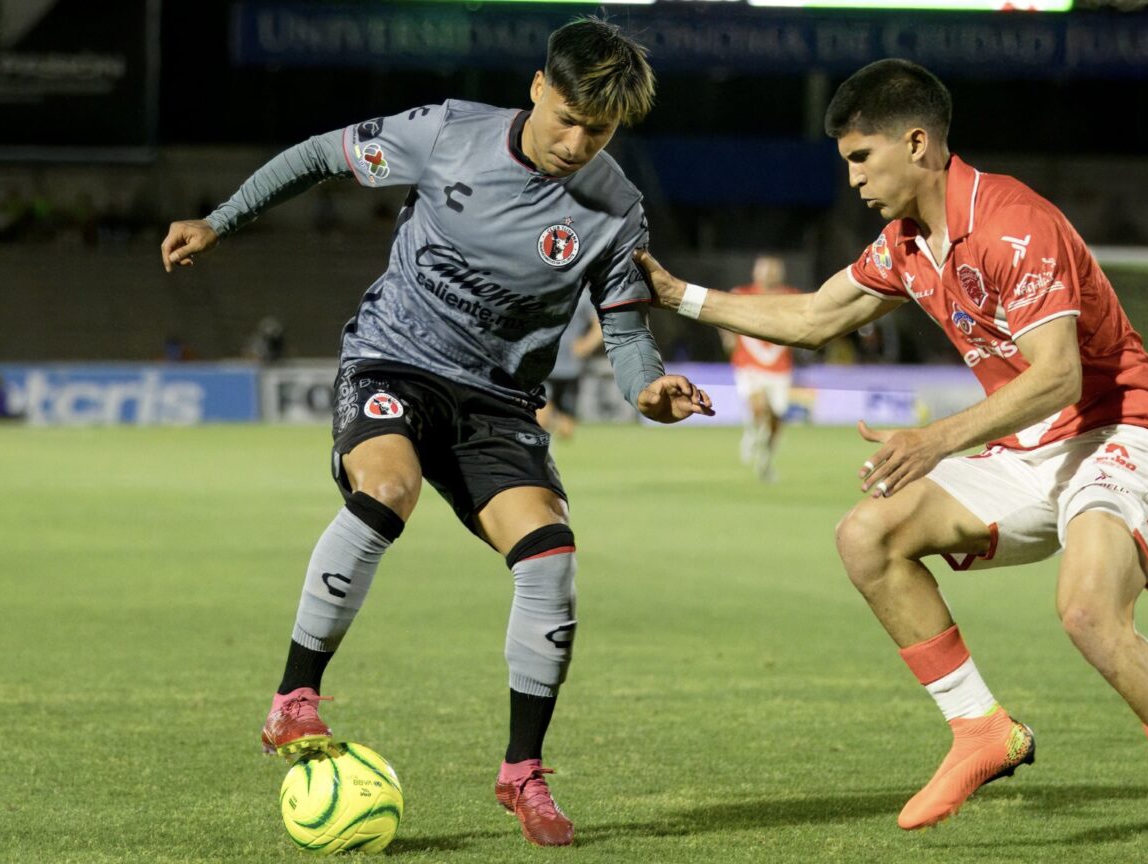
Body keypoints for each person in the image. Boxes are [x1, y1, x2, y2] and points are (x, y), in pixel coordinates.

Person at [635, 59, 1148, 863]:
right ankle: (982, 728)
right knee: (867, 536)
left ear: (917, 142)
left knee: (1087, 612)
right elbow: (812, 315)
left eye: (863, 159)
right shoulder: (906, 244)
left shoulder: (1014, 224)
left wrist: (935, 439)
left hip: (1116, 434)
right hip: (1025, 449)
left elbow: (1059, 375)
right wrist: (679, 296)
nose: (855, 179)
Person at [159, 18, 713, 848]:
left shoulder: (616, 210)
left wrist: (650, 391)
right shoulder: (449, 133)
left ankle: (521, 773)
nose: (576, 141)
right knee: (387, 490)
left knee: (551, 555)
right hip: (395, 361)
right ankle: (293, 700)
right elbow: (319, 155)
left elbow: (628, 339)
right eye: (566, 117)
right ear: (537, 87)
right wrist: (222, 218)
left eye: (597, 130)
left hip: (496, 402)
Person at [721, 255, 800, 482]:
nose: (769, 274)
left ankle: (765, 459)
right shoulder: (741, 295)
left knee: (776, 418)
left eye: (774, 270)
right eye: (765, 270)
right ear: (755, 272)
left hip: (780, 368)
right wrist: (727, 338)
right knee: (758, 406)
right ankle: (751, 431)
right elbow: (722, 317)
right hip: (748, 364)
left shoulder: (791, 297)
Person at [536, 299, 602, 440]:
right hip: (542, 364)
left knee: (567, 429)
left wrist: (586, 345)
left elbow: (599, 324)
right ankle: (540, 446)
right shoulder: (541, 288)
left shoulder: (583, 297)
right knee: (541, 416)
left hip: (570, 368)